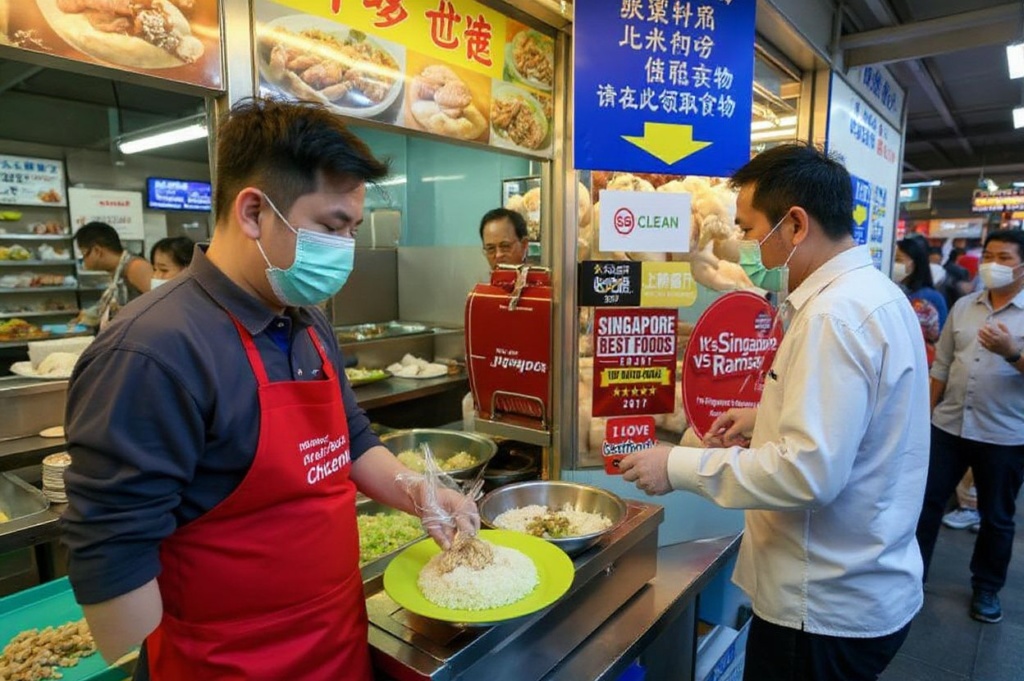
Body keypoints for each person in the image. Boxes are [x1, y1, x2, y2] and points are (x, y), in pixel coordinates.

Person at [61, 98, 478, 681]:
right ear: (254, 211)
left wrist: (422, 494)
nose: (345, 250)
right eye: (332, 227)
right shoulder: (152, 351)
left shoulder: (307, 319)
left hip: (334, 641)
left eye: (352, 231)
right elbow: (113, 552)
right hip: (225, 664)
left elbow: (351, 439)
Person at [619, 143, 929, 681]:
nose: (743, 243)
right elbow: (854, 422)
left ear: (795, 224)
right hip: (864, 582)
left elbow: (807, 474)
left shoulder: (833, 315)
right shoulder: (873, 293)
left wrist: (674, 466)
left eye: (748, 227)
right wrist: (766, 413)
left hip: (822, 606)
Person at [915, 229, 1024, 625]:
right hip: (949, 426)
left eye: (1005, 257)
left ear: (1023, 265)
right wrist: (923, 419)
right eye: (990, 255)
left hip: (1006, 434)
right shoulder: (963, 307)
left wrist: (1012, 353)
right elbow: (941, 366)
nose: (994, 264)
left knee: (996, 517)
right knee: (925, 505)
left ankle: (987, 588)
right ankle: (912, 576)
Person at [73, 221, 153, 327]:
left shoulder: (135, 267)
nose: (83, 260)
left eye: (84, 254)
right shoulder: (116, 271)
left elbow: (164, 303)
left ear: (97, 251)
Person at [894, 235, 948, 365]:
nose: (894, 265)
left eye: (898, 259)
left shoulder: (930, 297)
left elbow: (939, 337)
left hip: (918, 362)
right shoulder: (895, 290)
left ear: (915, 263)